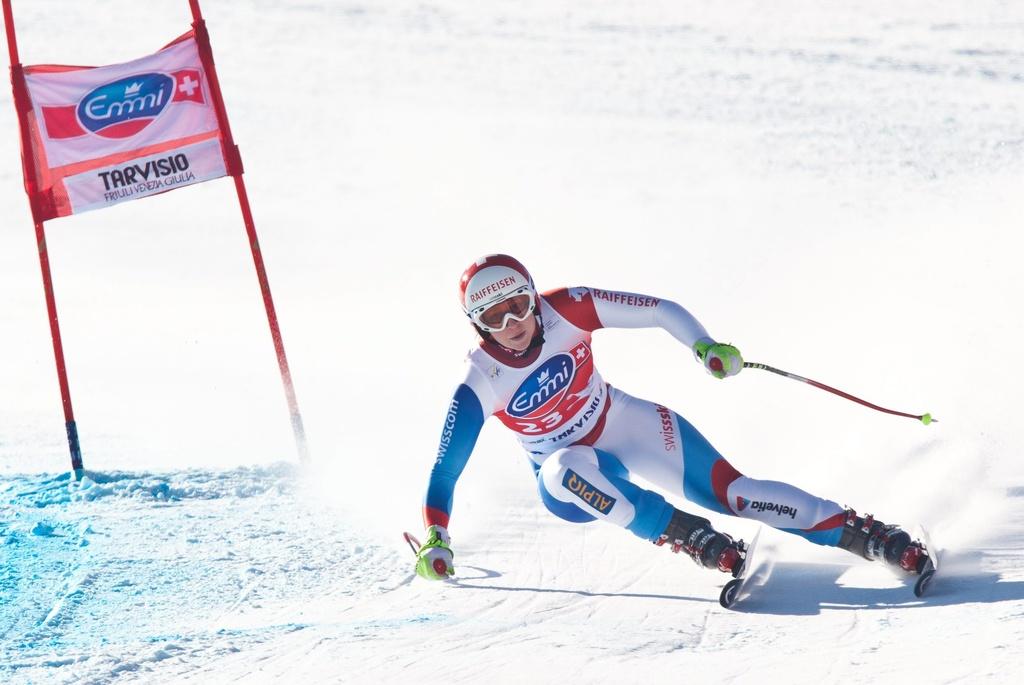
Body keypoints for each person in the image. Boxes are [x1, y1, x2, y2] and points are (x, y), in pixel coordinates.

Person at [414, 254, 930, 584]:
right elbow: (444, 471)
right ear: (477, 327)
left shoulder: (567, 307)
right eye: (493, 319)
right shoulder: (479, 379)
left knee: (736, 493)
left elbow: (659, 309)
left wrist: (704, 346)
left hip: (620, 422)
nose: (513, 326)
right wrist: (438, 537)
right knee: (562, 469)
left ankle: (868, 535)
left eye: (519, 307)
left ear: (533, 296)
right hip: (572, 479)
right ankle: (687, 535)